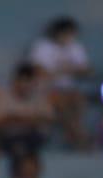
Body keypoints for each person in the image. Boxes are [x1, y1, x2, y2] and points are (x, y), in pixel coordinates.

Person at [28, 17, 91, 148]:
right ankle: (79, 137)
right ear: (58, 32)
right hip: (46, 90)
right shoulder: (42, 47)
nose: (70, 37)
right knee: (60, 102)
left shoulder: (75, 47)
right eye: (68, 33)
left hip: (69, 89)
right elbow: (38, 72)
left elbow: (86, 70)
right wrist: (66, 70)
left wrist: (66, 70)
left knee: (79, 100)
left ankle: (77, 134)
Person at [0, 62, 55, 159]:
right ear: (15, 81)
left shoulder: (39, 97)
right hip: (8, 138)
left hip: (32, 138)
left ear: (34, 83)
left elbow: (48, 119)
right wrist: (24, 119)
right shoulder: (1, 96)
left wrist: (17, 119)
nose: (24, 86)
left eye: (28, 82)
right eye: (21, 81)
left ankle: (26, 159)